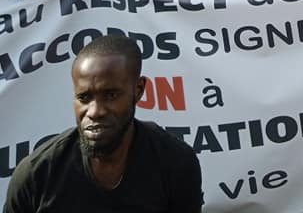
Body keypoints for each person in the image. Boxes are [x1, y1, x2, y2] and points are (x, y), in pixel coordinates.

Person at [3, 34, 203, 211]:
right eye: (84, 98)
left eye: (111, 95)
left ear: (138, 89)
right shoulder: (36, 174)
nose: (95, 111)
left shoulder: (175, 162)